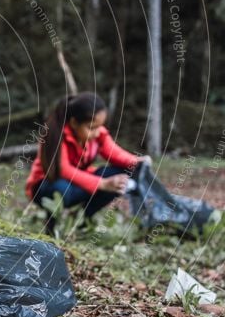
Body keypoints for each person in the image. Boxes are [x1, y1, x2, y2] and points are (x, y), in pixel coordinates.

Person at [25, 92, 150, 232]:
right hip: (46, 186)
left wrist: (136, 162)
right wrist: (102, 184)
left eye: (100, 126)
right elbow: (64, 170)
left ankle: (83, 220)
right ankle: (51, 226)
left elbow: (114, 152)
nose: (97, 132)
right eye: (91, 128)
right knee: (60, 189)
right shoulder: (55, 135)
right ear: (74, 123)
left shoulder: (98, 134)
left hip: (76, 184)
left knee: (121, 178)